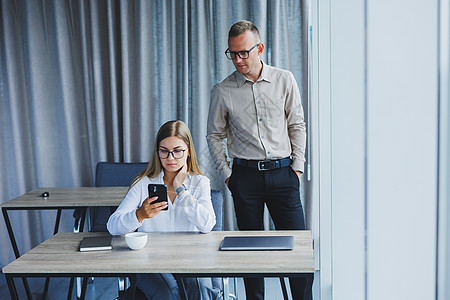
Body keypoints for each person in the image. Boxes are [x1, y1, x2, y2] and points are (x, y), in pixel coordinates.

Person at [206, 20, 308, 300]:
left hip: (283, 175)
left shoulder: (284, 79)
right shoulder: (223, 90)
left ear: (259, 48)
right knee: (250, 258)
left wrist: (297, 168)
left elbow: (297, 125)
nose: (237, 60)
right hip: (245, 178)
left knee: (298, 252)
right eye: (232, 54)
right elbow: (214, 135)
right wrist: (228, 175)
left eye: (243, 53)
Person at [107, 120, 218, 300]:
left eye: (177, 151)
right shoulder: (143, 182)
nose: (170, 158)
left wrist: (180, 189)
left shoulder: (199, 182)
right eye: (164, 151)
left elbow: (207, 225)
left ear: (188, 151)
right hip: (151, 260)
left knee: (199, 290)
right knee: (169, 291)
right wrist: (139, 215)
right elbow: (112, 226)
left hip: (191, 257)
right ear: (157, 152)